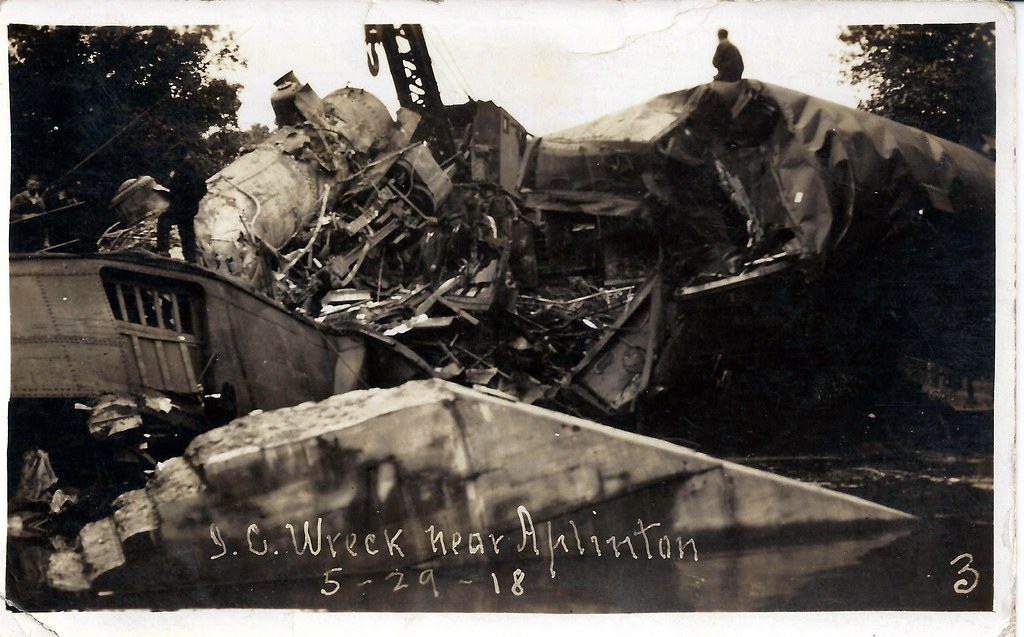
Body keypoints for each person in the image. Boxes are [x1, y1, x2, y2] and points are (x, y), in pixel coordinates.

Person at [157, 147, 207, 262]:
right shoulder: (189, 169)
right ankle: (191, 258)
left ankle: (163, 251)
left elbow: (181, 189)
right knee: (186, 231)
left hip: (182, 205)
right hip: (189, 207)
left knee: (164, 221)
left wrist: (180, 198)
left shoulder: (183, 170)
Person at [10, 175, 47, 252]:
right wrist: (23, 216)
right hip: (21, 233)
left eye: (36, 185)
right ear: (26, 185)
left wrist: (46, 240)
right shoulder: (18, 198)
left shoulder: (40, 201)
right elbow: (10, 214)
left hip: (36, 235)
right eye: (31, 185)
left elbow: (44, 220)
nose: (33, 187)